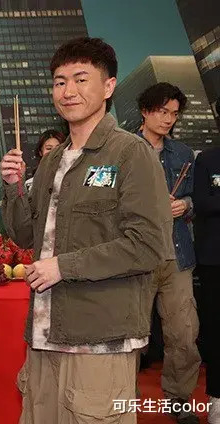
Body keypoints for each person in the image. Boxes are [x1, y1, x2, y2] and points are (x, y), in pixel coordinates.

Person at [0, 37, 171, 424]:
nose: (68, 91)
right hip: (45, 334)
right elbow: (26, 236)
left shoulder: (130, 153)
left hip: (99, 337)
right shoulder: (53, 161)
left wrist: (64, 266)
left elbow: (148, 245)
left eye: (81, 79)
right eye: (60, 82)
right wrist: (13, 187)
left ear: (108, 86)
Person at [136, 82, 201, 424]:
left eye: (174, 114)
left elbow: (197, 198)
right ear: (145, 111)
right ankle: (123, 394)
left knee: (184, 332)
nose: (168, 120)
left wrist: (185, 204)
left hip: (177, 255)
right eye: (162, 112)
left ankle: (178, 397)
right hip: (136, 255)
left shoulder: (183, 154)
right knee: (130, 333)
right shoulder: (124, 148)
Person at [193, 146, 220, 424]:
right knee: (216, 332)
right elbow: (200, 203)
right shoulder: (207, 159)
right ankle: (217, 398)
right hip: (214, 260)